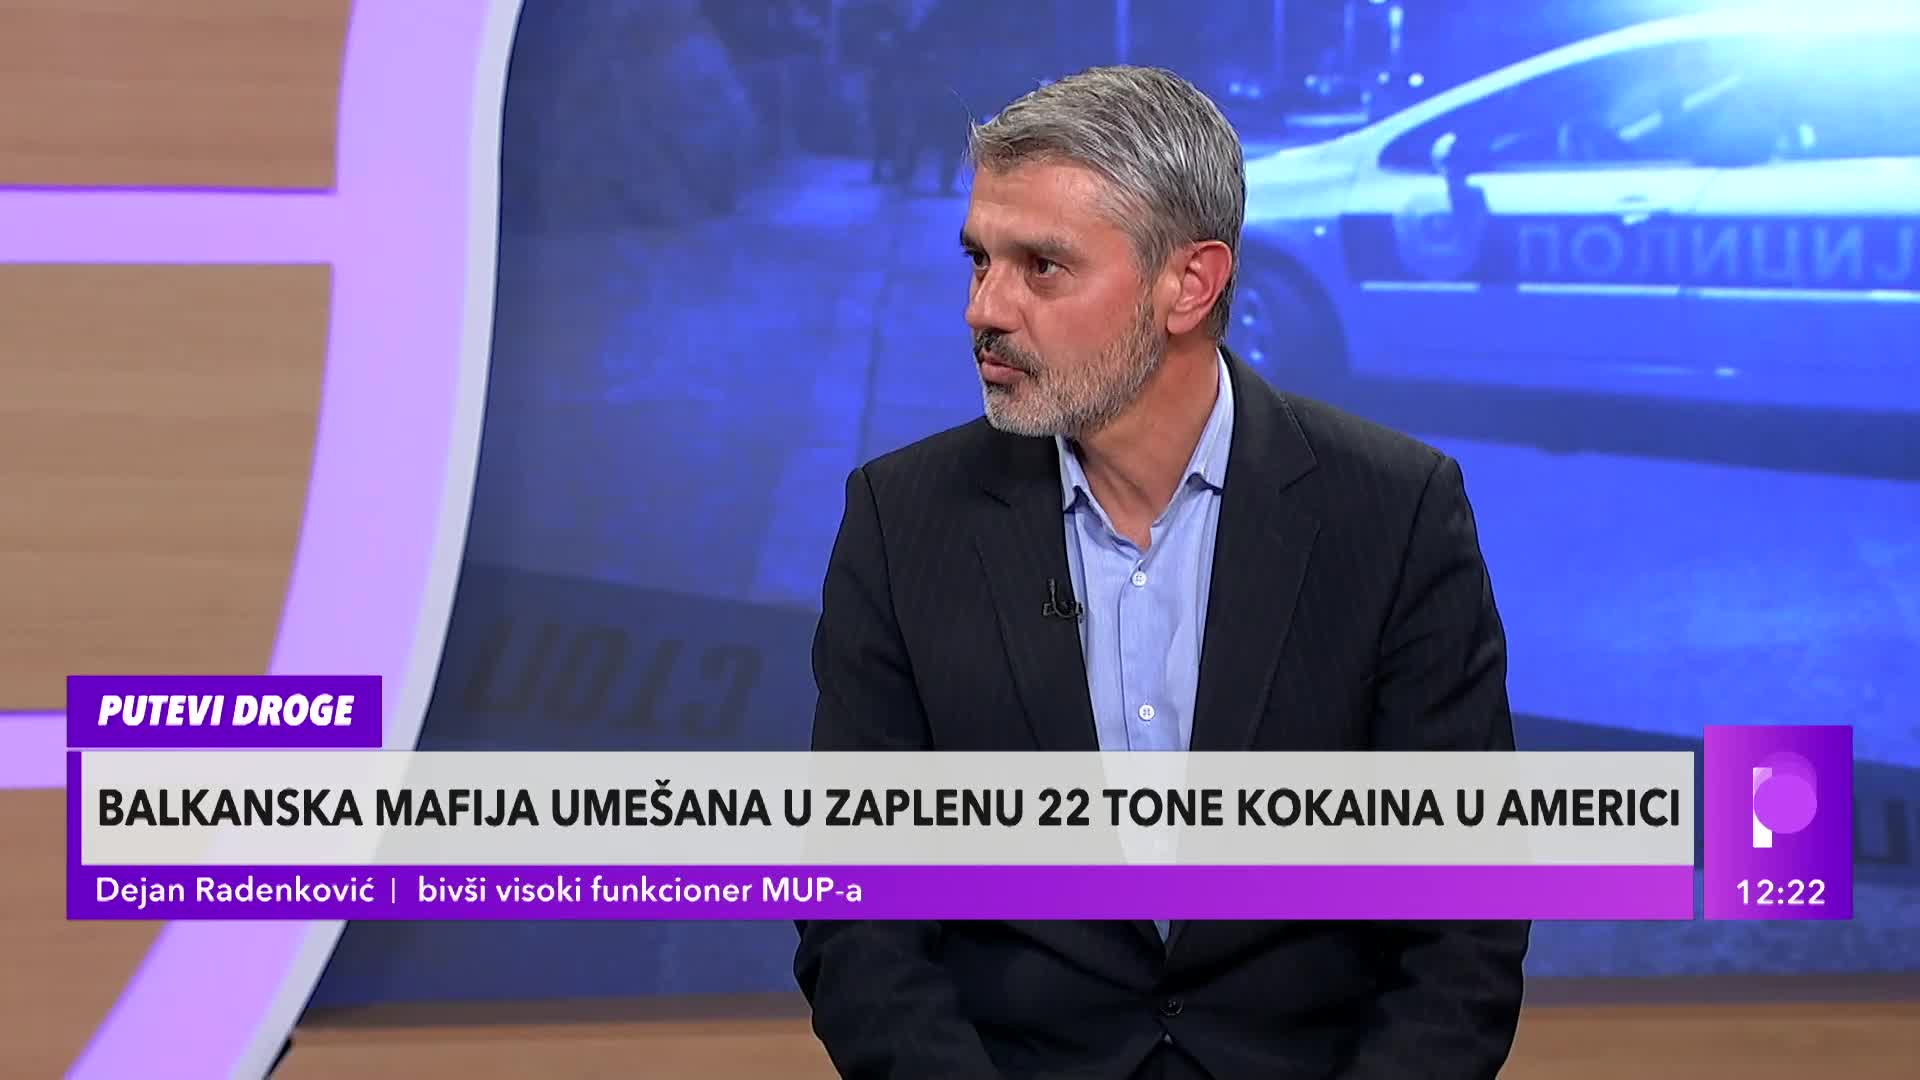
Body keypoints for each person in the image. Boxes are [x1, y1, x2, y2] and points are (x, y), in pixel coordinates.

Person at [795, 65, 1529, 1080]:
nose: (984, 308)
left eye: (1042, 267)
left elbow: (1464, 915)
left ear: (1190, 284)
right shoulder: (902, 518)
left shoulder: (1395, 511)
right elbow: (859, 914)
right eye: (980, 260)